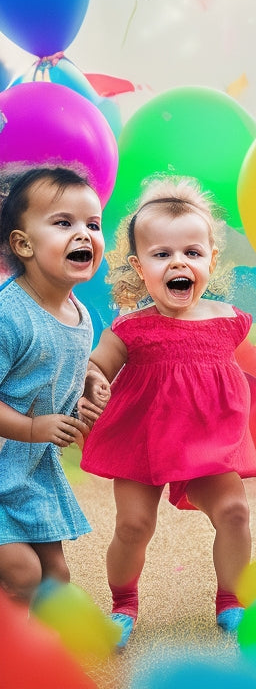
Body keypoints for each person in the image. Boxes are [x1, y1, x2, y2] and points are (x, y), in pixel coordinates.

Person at [79, 177, 256, 647]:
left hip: (207, 440)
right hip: (142, 438)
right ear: (140, 268)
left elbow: (230, 371)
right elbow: (99, 364)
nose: (179, 262)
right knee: (133, 525)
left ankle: (232, 602)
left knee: (235, 511)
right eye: (162, 255)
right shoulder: (131, 327)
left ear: (210, 260)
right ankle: (123, 603)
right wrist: (94, 379)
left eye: (192, 253)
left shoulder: (229, 320)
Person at [0, 166, 105, 605]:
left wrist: (90, 379)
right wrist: (32, 428)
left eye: (92, 225)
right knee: (22, 572)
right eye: (64, 223)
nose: (83, 234)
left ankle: (36, 660)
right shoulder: (10, 315)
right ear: (23, 244)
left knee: (55, 579)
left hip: (30, 470)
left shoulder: (79, 314)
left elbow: (60, 361)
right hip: (8, 452)